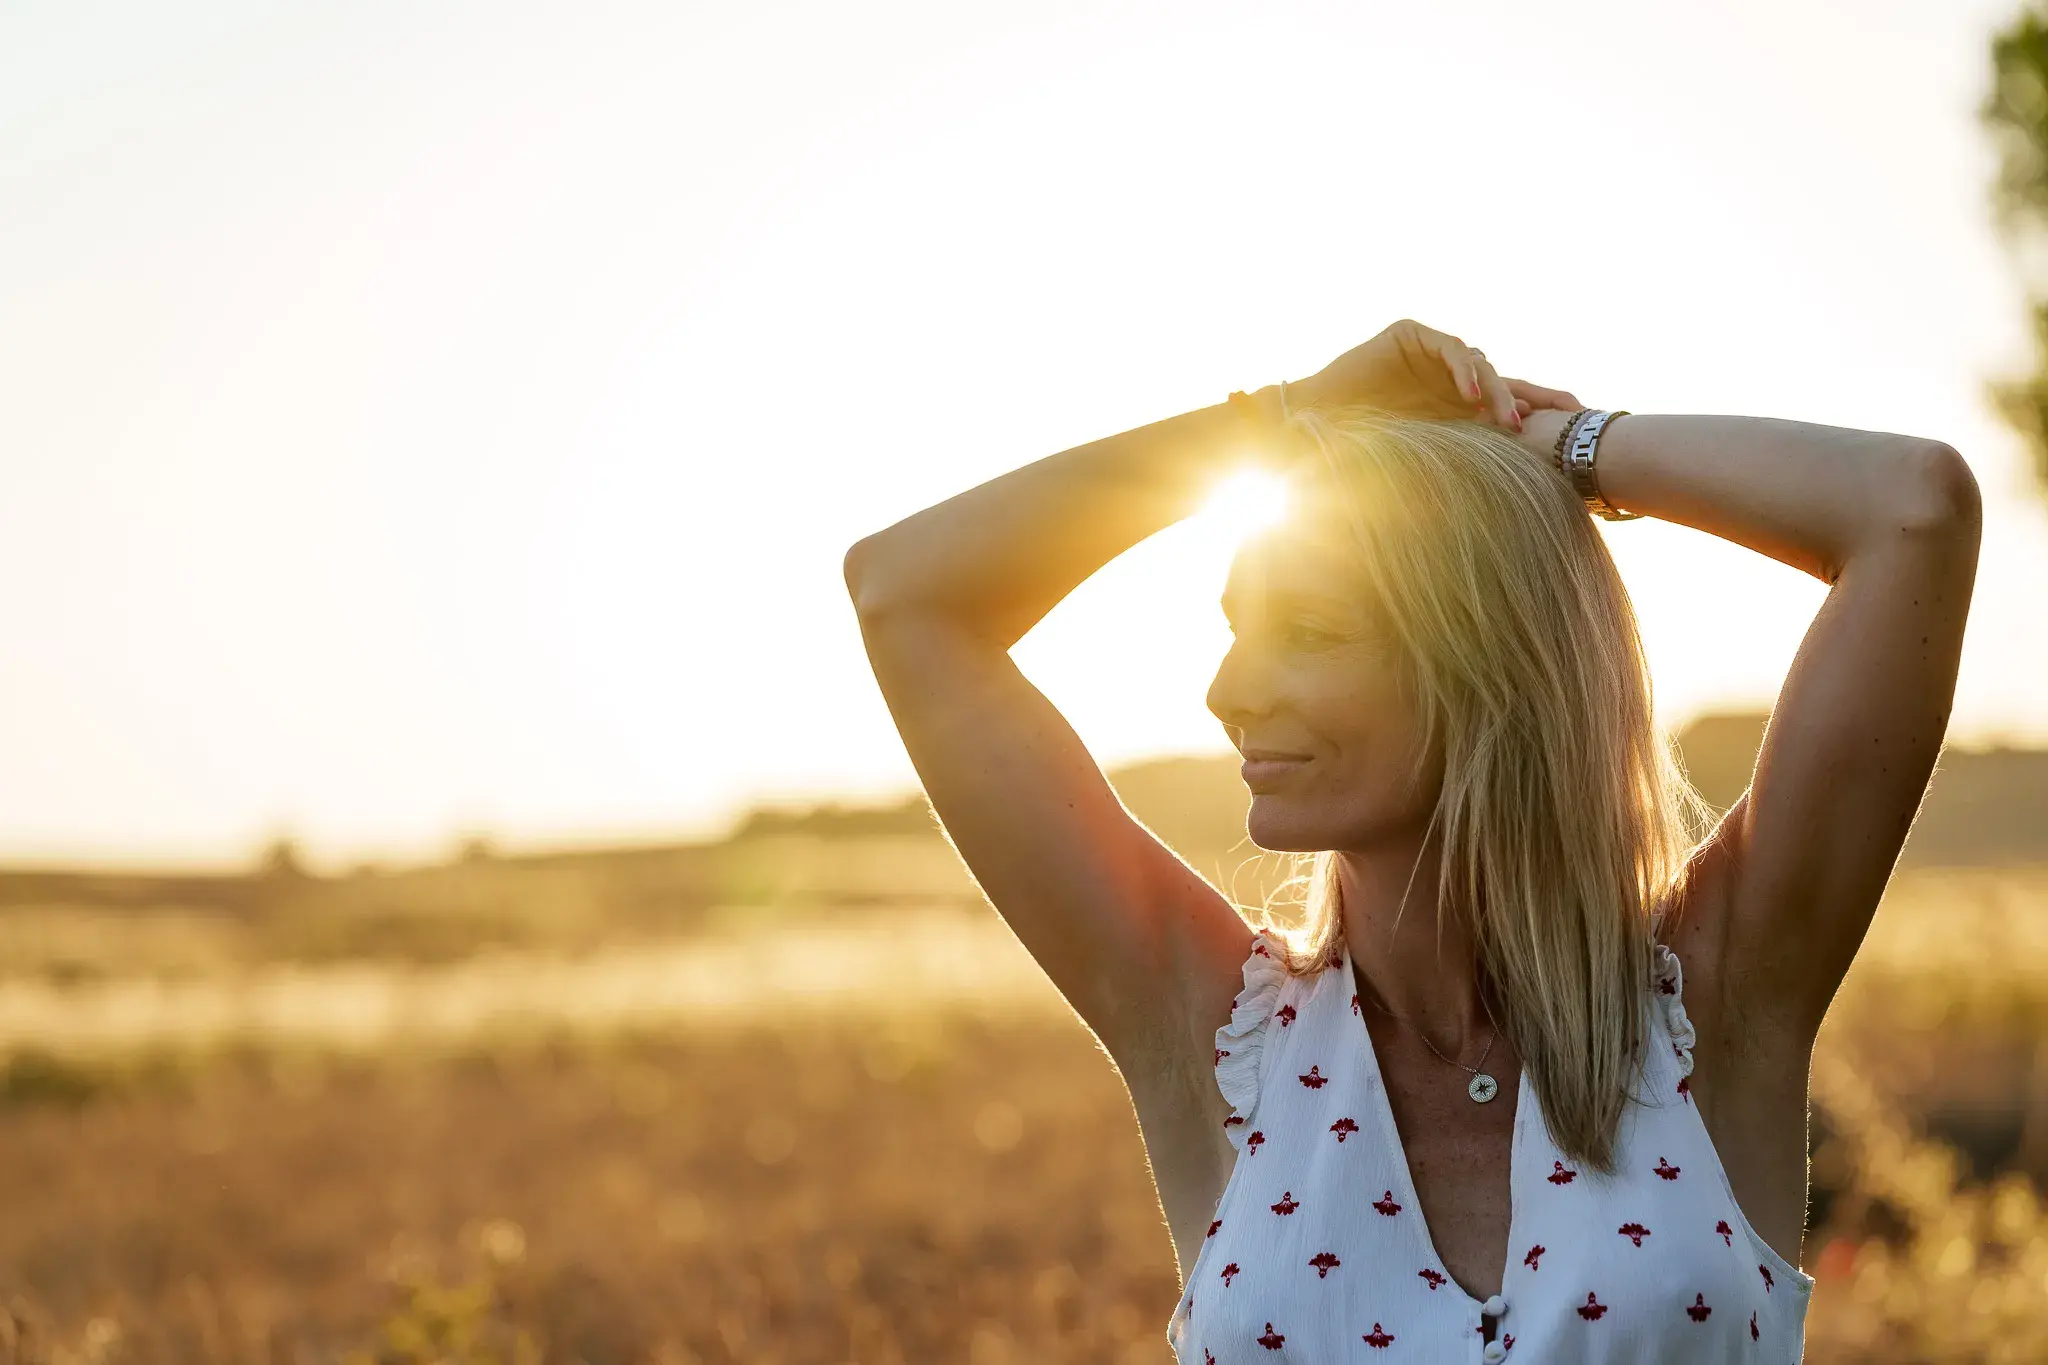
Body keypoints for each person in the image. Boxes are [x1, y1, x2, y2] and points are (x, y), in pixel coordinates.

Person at [841, 319, 1981, 1361]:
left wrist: (1559, 446)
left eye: (1309, 631)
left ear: (1485, 659)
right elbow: (903, 593)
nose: (1225, 689)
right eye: (1236, 629)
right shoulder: (1218, 1040)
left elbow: (1911, 508)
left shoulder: (1716, 1003)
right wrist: (1287, 416)